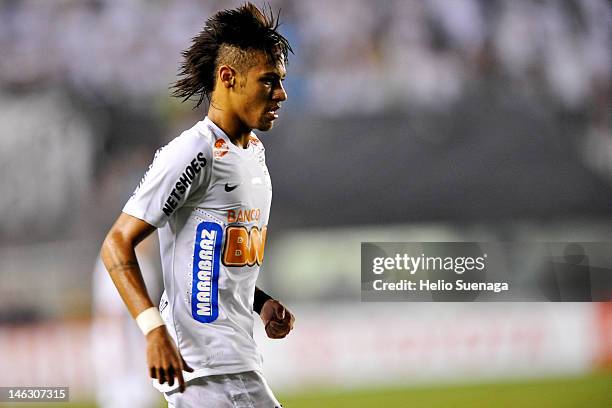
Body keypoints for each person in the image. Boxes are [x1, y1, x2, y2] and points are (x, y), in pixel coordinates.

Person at [100, 3, 295, 407]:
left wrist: (259, 302)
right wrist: (153, 331)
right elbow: (117, 244)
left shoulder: (253, 153)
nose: (281, 93)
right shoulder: (193, 151)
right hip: (207, 371)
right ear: (228, 77)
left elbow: (211, 260)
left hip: (233, 362)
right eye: (268, 81)